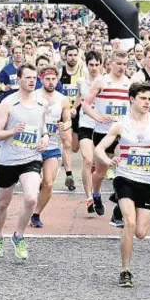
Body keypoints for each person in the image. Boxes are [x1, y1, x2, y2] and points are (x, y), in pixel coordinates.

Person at [94, 82, 150, 288]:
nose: (147, 102)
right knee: (130, 224)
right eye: (143, 98)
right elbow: (99, 148)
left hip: (146, 181)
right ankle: (125, 271)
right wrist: (108, 161)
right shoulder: (121, 124)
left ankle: (119, 212)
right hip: (124, 178)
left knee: (140, 232)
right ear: (132, 99)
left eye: (149, 99)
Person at [0, 63, 49, 260]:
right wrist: (13, 132)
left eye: (34, 78)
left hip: (31, 158)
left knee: (31, 197)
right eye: (28, 78)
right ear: (19, 80)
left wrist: (45, 138)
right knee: (3, 203)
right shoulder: (8, 103)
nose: (32, 81)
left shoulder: (42, 104)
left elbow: (43, 129)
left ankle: (19, 235)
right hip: (8, 160)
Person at [82, 49, 131, 216]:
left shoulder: (130, 84)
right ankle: (96, 194)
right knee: (101, 172)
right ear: (110, 63)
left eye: (125, 64)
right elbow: (86, 104)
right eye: (118, 63)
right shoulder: (101, 82)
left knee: (123, 167)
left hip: (122, 134)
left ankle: (119, 197)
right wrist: (98, 117)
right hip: (102, 133)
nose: (122, 67)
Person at [30, 64, 72, 228]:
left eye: (53, 79)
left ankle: (36, 214)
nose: (50, 82)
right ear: (41, 79)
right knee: (34, 184)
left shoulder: (62, 99)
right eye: (47, 79)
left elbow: (67, 119)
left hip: (53, 146)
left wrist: (65, 125)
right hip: (33, 146)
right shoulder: (33, 96)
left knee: (48, 183)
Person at [72, 51, 103, 213]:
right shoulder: (80, 81)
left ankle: (96, 193)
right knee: (87, 160)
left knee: (100, 164)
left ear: (101, 65)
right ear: (86, 65)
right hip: (85, 124)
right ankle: (89, 196)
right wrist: (73, 108)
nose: (94, 68)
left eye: (97, 65)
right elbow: (79, 96)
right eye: (91, 65)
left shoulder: (105, 82)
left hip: (101, 126)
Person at [59, 45, 83, 191]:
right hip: (63, 112)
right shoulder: (60, 72)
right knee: (67, 145)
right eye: (70, 55)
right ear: (65, 56)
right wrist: (66, 108)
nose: (72, 58)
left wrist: (74, 107)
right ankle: (69, 175)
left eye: (75, 55)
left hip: (78, 111)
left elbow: (83, 93)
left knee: (74, 147)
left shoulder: (82, 72)